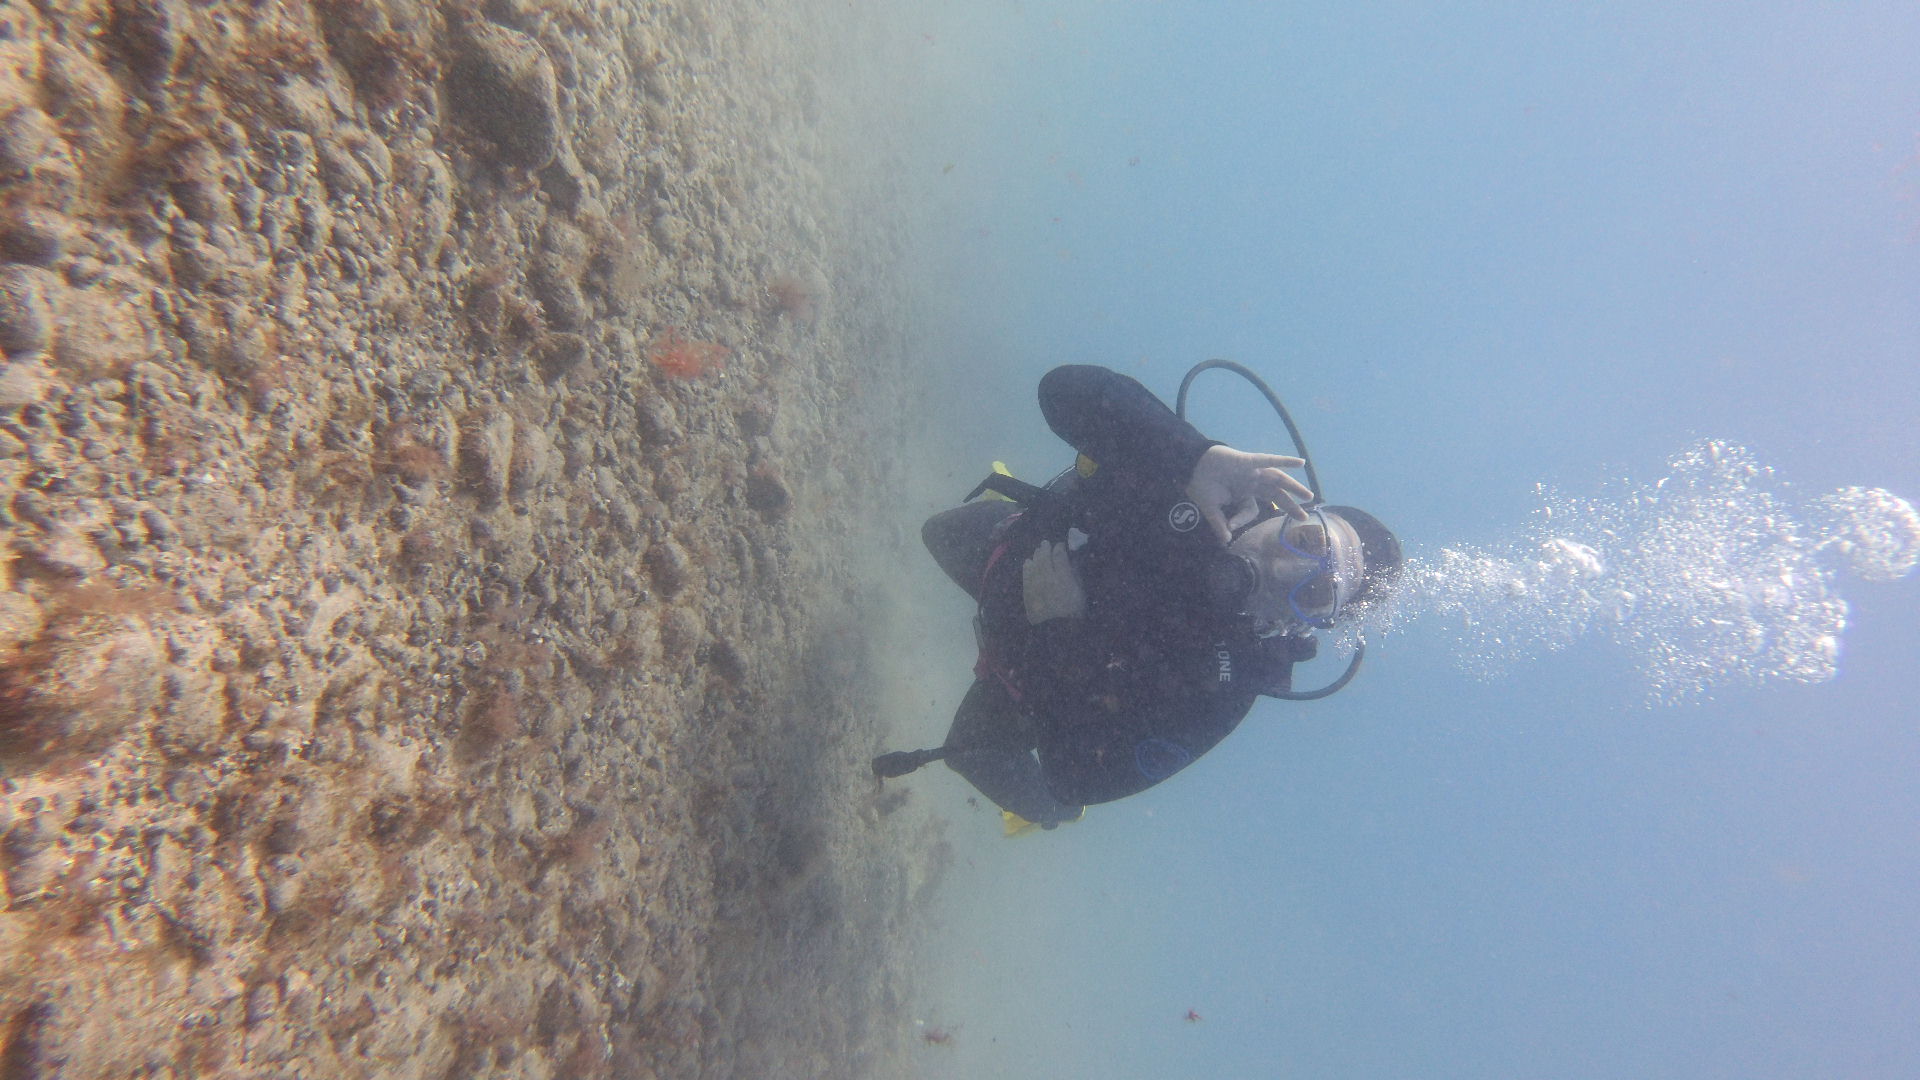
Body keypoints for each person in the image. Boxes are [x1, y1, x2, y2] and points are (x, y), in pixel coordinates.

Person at [912, 364, 1401, 828]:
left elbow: (1076, 780)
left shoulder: (1227, 686)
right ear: (1295, 509)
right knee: (936, 532)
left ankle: (1053, 820)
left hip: (1024, 680)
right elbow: (1059, 390)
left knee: (972, 754)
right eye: (1308, 541)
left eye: (1313, 592)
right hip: (1008, 555)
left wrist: (1058, 635)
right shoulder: (1200, 479)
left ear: (1305, 623)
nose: (1283, 568)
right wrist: (1190, 455)